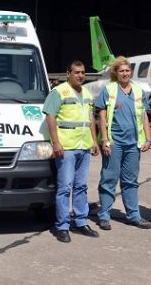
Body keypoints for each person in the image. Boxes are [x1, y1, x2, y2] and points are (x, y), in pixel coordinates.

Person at [95, 56, 151, 230]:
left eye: (127, 70)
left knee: (131, 181)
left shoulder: (138, 91)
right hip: (114, 143)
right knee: (109, 178)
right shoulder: (109, 90)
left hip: (133, 144)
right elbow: (102, 115)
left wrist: (149, 138)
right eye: (121, 71)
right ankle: (104, 215)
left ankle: (133, 216)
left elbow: (144, 115)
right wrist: (104, 140)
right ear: (116, 73)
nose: (125, 73)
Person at [44, 60, 100, 243]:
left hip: (84, 146)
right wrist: (56, 143)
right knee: (65, 187)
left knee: (81, 187)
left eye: (83, 72)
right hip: (66, 148)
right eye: (76, 72)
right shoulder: (58, 91)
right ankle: (62, 226)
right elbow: (50, 116)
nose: (80, 75)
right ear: (68, 73)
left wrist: (94, 140)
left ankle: (81, 222)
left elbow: (90, 119)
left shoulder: (86, 93)